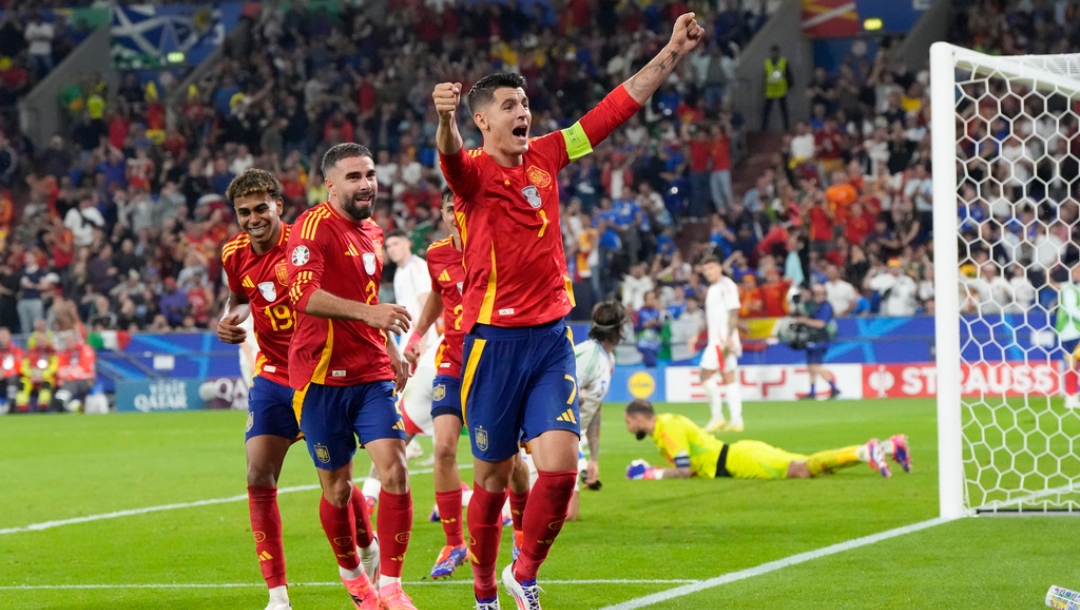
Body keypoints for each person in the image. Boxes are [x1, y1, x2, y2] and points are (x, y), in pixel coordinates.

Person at [433, 13, 704, 609]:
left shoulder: (549, 155)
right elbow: (450, 156)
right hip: (491, 346)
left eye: (525, 102)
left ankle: (522, 575)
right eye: (509, 105)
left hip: (551, 338)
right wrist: (444, 120)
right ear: (483, 119)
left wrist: (671, 52)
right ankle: (483, 593)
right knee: (492, 481)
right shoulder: (473, 174)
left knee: (559, 473)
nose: (523, 111)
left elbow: (613, 109)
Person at [220, 168, 377, 610]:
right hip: (271, 375)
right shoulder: (233, 253)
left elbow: (350, 295)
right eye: (244, 212)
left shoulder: (306, 245)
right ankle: (277, 596)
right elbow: (238, 298)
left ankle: (367, 542)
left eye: (261, 208)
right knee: (257, 474)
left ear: (278, 207)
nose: (253, 218)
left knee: (337, 485)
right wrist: (230, 320)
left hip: (321, 374)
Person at [286, 143, 416, 610]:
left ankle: (392, 588)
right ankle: (354, 576)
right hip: (320, 377)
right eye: (356, 176)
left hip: (371, 373)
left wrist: (391, 346)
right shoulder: (311, 227)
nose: (367, 184)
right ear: (332, 184)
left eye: (371, 174)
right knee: (337, 489)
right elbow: (304, 295)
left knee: (395, 470)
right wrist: (372, 315)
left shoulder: (373, 231)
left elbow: (368, 298)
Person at [399, 188, 471, 579]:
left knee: (505, 461)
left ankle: (523, 528)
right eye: (448, 207)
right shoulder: (437, 253)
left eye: (460, 205)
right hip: (452, 361)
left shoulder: (494, 243)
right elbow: (439, 295)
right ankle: (454, 541)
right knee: (443, 448)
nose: (454, 213)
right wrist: (418, 334)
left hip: (492, 365)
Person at [623, 399, 909, 480]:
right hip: (737, 454)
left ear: (638, 417)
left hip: (736, 461)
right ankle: (887, 447)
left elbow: (684, 471)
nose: (626, 427)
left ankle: (866, 451)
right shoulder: (667, 426)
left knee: (801, 469)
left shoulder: (667, 428)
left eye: (627, 422)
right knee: (807, 466)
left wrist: (651, 474)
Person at [574, 300, 627, 491]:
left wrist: (593, 459)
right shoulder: (589, 357)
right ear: (619, 329)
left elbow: (595, 409)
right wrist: (573, 397)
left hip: (570, 440)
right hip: (546, 440)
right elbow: (554, 397)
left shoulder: (608, 359)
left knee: (568, 514)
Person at [696, 254, 744, 433]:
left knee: (705, 374)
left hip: (722, 340)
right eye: (705, 269)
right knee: (728, 376)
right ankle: (736, 420)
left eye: (711, 268)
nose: (708, 272)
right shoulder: (713, 288)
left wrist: (730, 337)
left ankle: (718, 417)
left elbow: (733, 312)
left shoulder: (726, 286)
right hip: (718, 338)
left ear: (719, 267)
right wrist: (697, 335)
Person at [795, 284, 840, 400]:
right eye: (815, 293)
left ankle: (834, 388)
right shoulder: (813, 306)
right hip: (811, 338)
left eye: (820, 293)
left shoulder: (825, 307)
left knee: (815, 366)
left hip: (820, 339)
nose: (817, 296)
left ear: (824, 294)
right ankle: (812, 392)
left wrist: (804, 321)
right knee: (810, 367)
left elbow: (821, 324)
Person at [1055, 263, 1080, 409]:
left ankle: (1072, 396)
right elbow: (1071, 310)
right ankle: (1070, 397)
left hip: (1077, 332)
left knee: (1074, 364)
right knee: (1073, 364)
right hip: (1070, 332)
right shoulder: (1068, 288)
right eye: (1077, 270)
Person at [53, 330, 95, 412]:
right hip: (67, 381)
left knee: (73, 383)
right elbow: (59, 369)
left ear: (75, 340)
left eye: (69, 340)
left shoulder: (85, 349)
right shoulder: (64, 353)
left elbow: (84, 368)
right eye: (66, 340)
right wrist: (67, 375)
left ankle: (62, 399)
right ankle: (66, 404)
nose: (67, 342)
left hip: (86, 380)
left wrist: (71, 375)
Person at [762, 44, 793, 131]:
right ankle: (764, 127)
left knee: (784, 110)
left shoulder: (784, 62)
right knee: (767, 110)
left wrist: (788, 85)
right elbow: (765, 76)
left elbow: (789, 75)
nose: (774, 54)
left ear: (778, 53)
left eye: (775, 52)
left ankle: (786, 127)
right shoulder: (767, 63)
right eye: (772, 53)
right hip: (770, 90)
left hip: (781, 89)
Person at [0, 327, 22, 413]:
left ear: (10, 336)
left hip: (12, 377)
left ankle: (11, 404)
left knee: (12, 379)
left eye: (5, 335)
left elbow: (18, 367)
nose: (3, 338)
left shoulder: (16, 350)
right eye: (1, 336)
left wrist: (4, 373)